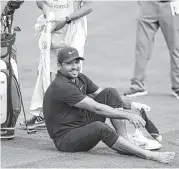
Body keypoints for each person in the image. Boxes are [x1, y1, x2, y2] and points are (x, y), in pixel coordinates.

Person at [43, 46, 175, 164]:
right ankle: (149, 155)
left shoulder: (80, 78)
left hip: (80, 123)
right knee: (100, 128)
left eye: (76, 62)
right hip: (66, 139)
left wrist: (133, 105)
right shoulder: (62, 86)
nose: (75, 66)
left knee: (110, 92)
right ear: (59, 66)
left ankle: (124, 141)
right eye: (69, 63)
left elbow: (107, 96)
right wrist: (128, 116)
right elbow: (96, 107)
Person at [20, 0, 92, 129]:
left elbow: (88, 6)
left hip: (73, 27)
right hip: (52, 26)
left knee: (72, 69)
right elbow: (40, 2)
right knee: (46, 69)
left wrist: (66, 19)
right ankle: (43, 114)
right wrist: (47, 11)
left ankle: (74, 116)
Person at [124, 1, 179, 99]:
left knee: (176, 47)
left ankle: (177, 86)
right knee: (142, 47)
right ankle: (137, 85)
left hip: (170, 4)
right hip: (148, 5)